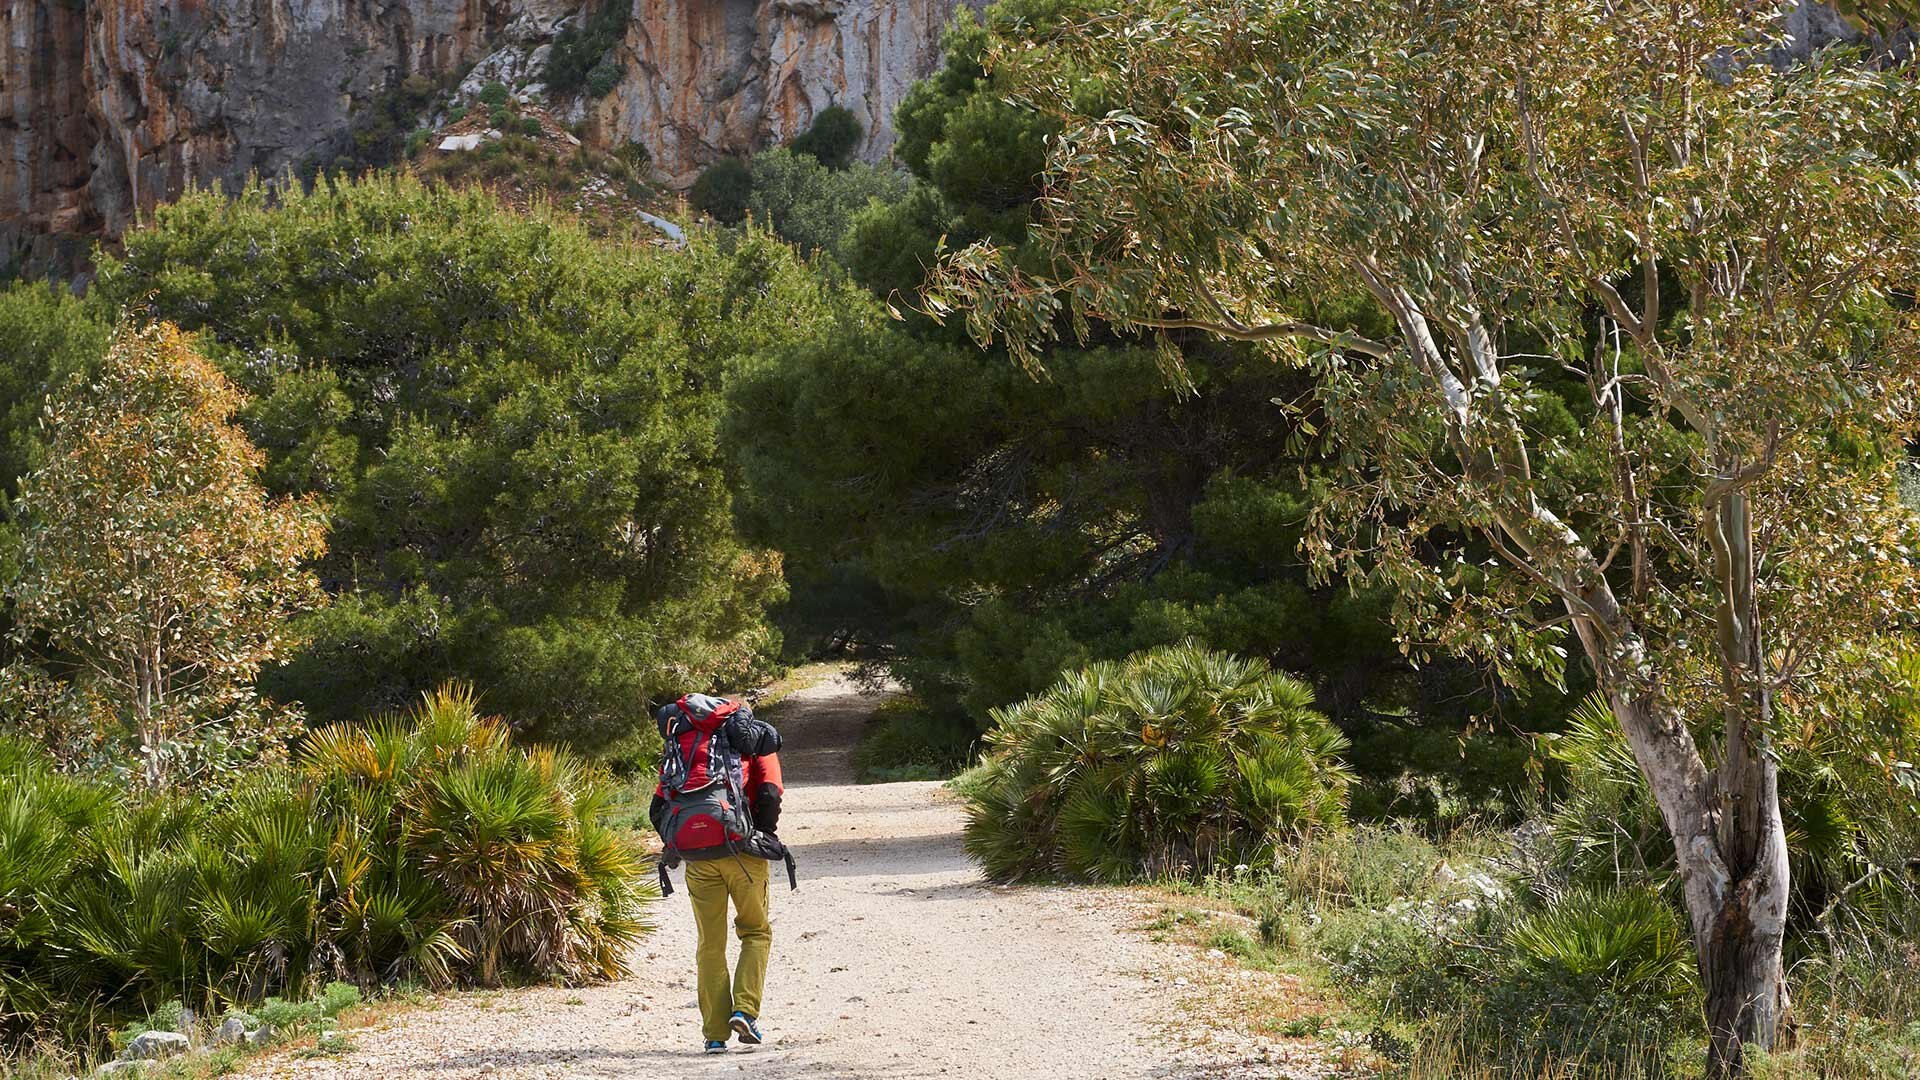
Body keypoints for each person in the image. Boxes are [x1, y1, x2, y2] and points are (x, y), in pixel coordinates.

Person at [649, 693, 792, 1054]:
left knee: (709, 945)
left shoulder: (682, 746)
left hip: (698, 858)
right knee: (755, 931)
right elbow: (770, 793)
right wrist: (761, 833)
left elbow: (658, 806)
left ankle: (714, 1034)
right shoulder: (750, 741)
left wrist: (684, 843)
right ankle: (745, 1010)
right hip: (742, 852)